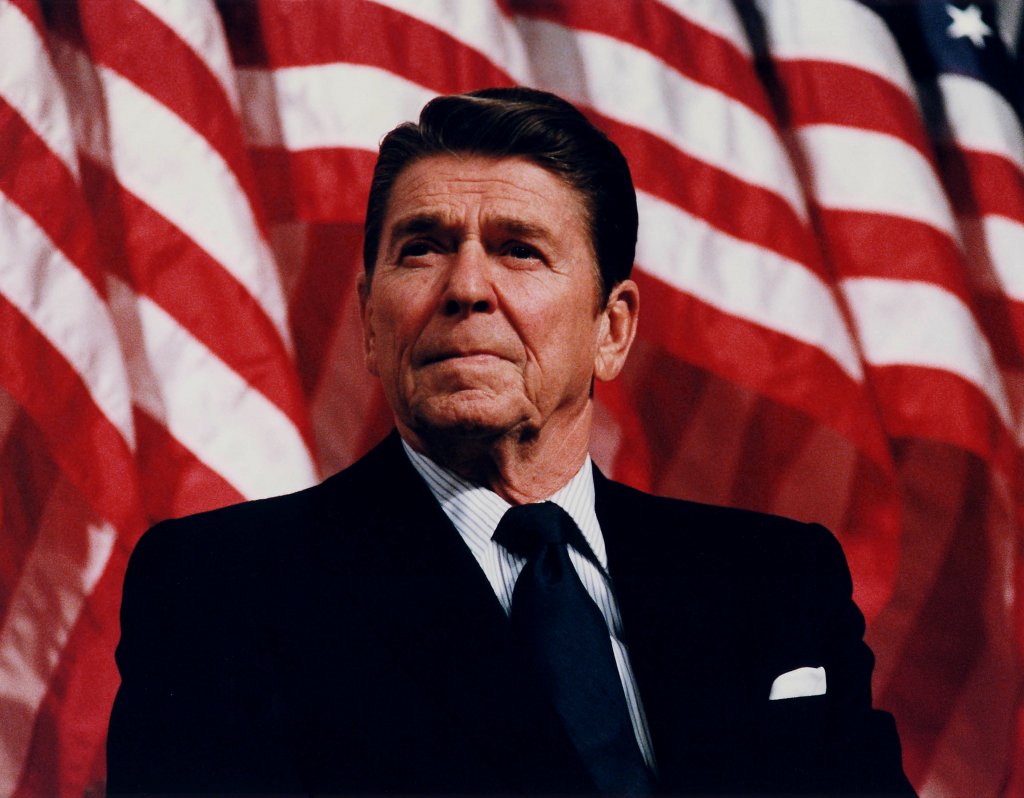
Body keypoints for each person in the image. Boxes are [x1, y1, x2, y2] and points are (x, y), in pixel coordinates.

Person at [107, 87, 915, 796]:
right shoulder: (223, 591)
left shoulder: (777, 583)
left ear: (613, 328)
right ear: (368, 321)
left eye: (518, 250)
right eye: (420, 248)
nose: (463, 288)